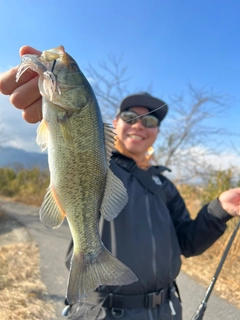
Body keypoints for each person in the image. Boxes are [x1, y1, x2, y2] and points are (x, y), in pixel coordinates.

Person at [1, 46, 240, 320]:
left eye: (150, 120)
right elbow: (72, 148)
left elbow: (187, 243)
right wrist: (46, 97)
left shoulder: (164, 186)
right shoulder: (104, 165)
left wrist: (219, 209)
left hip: (167, 311)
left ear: (157, 132)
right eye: (130, 117)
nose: (139, 125)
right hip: (101, 312)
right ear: (114, 123)